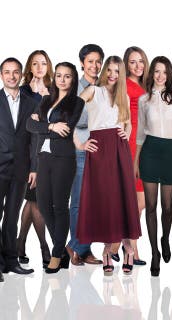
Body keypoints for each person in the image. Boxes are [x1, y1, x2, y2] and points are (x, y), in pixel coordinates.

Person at [77, 56, 142, 276]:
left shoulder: (123, 95)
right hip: (99, 148)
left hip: (119, 148)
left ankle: (127, 248)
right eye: (110, 70)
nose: (113, 74)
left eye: (117, 71)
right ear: (104, 71)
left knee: (122, 196)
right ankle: (107, 249)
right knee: (105, 199)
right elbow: (71, 110)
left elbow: (128, 123)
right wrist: (80, 142)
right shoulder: (93, 91)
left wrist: (127, 132)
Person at [134, 56, 172, 276]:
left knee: (167, 207)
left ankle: (165, 238)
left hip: (170, 152)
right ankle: (155, 253)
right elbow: (140, 132)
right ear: (152, 75)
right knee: (150, 206)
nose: (160, 76)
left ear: (168, 75)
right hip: (149, 151)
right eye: (156, 72)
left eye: (163, 72)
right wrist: (136, 160)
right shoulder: (143, 100)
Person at [26, 61, 85, 274]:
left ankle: (56, 253)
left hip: (64, 159)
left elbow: (67, 131)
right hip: (44, 158)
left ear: (73, 79)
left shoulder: (77, 103)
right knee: (43, 204)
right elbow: (29, 125)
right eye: (59, 75)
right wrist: (50, 125)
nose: (62, 79)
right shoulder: (45, 100)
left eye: (67, 76)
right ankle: (61, 249)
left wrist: (41, 126)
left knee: (60, 206)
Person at [0, 57, 37, 278]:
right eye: (7, 72)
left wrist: (35, 168)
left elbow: (35, 139)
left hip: (22, 168)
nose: (12, 76)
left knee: (12, 216)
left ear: (21, 75)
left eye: (15, 72)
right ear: (1, 75)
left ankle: (11, 261)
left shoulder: (31, 104)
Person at [68, 44, 104, 266]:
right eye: (90, 61)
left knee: (95, 202)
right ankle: (77, 248)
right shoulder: (75, 88)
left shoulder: (103, 87)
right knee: (79, 202)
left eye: (98, 61)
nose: (95, 65)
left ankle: (82, 247)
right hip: (81, 151)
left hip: (100, 151)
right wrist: (79, 144)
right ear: (82, 63)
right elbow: (70, 119)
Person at [16, 50, 52, 266]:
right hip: (26, 153)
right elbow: (25, 125)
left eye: (44, 64)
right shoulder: (22, 92)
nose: (40, 67)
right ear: (30, 67)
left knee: (32, 201)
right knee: (36, 201)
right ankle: (44, 248)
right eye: (36, 64)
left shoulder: (52, 91)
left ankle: (19, 244)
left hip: (46, 152)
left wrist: (46, 96)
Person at [121, 46, 149, 266]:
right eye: (133, 62)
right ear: (126, 64)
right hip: (131, 144)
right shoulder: (124, 85)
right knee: (137, 200)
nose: (138, 65)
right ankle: (131, 246)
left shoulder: (147, 84)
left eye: (141, 61)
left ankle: (126, 242)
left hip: (148, 142)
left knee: (142, 200)